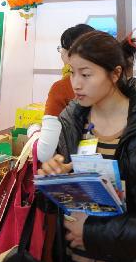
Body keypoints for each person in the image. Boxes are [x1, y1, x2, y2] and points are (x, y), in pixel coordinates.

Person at [40, 31, 136, 262]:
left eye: (86, 74)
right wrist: (53, 179)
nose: (76, 84)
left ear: (115, 73)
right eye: (72, 73)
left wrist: (90, 233)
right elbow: (58, 205)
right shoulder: (72, 120)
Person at [38, 23, 94, 163]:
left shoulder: (61, 88)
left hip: (70, 170)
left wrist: (33, 131)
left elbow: (45, 153)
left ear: (70, 54)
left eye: (61, 48)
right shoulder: (109, 89)